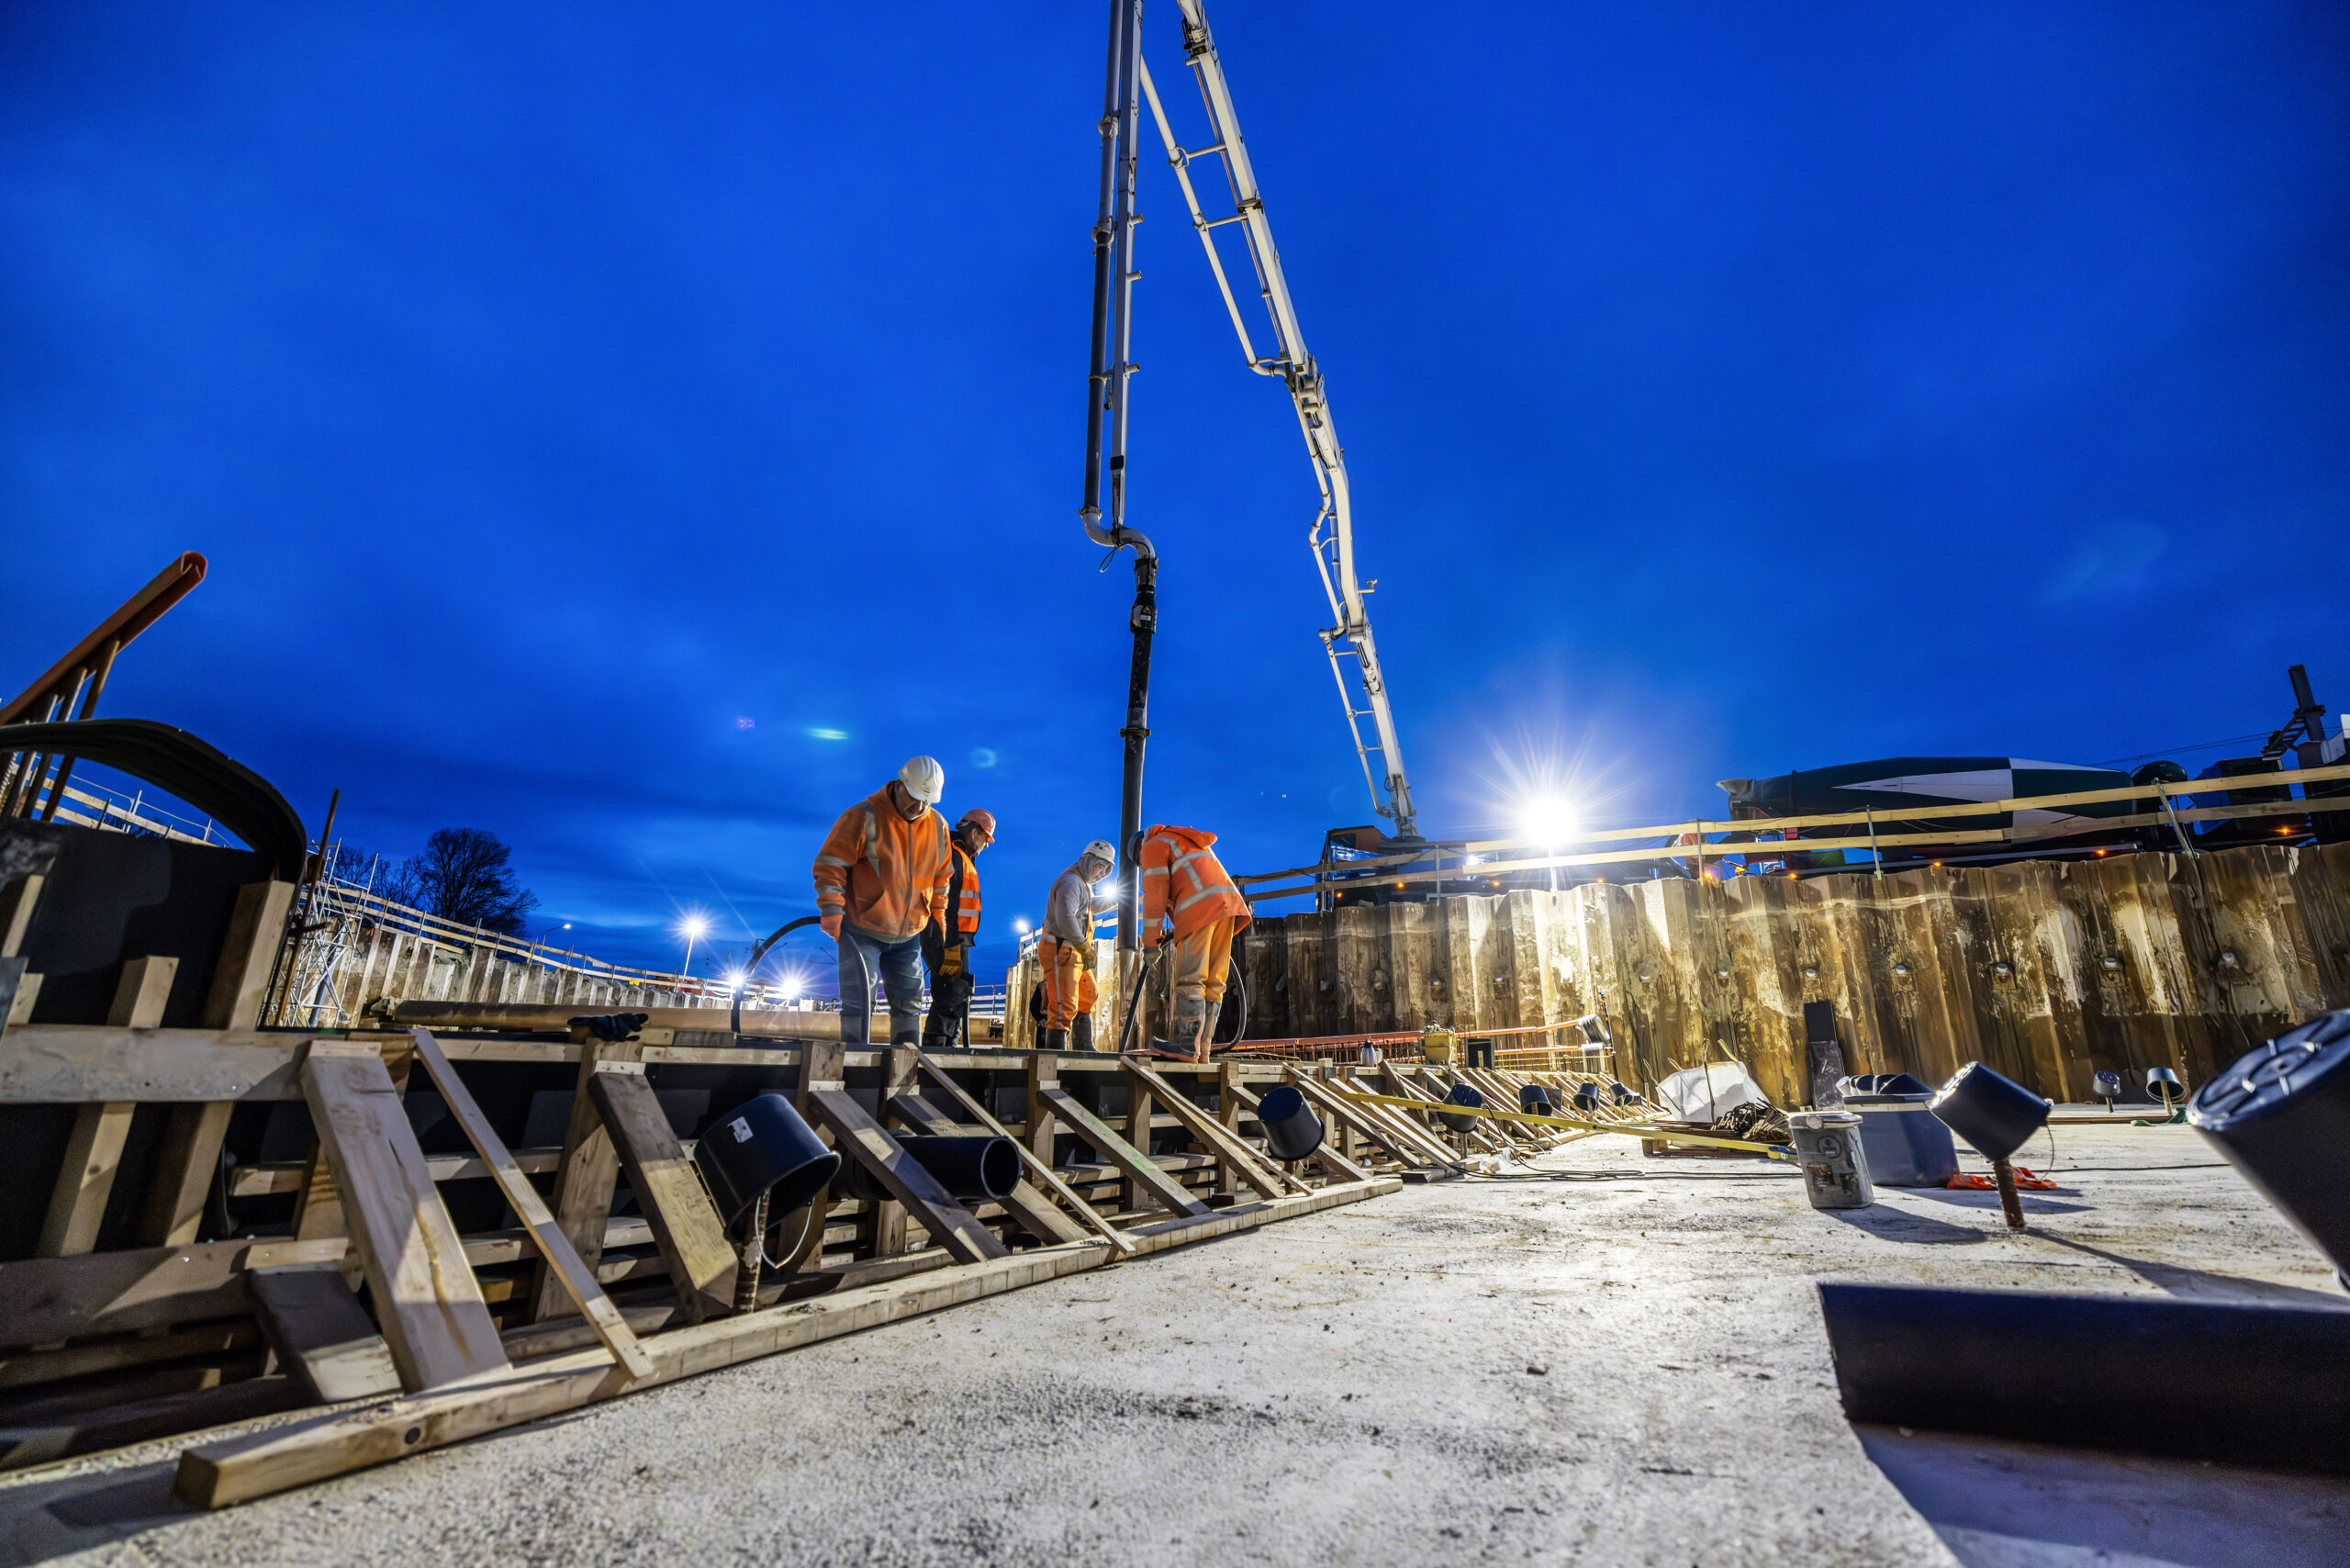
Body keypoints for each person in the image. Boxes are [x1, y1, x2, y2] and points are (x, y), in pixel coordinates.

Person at [812, 756, 953, 1045]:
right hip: (862, 930)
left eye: (928, 801)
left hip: (909, 936)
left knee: (910, 1002)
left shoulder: (938, 826)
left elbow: (942, 877)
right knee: (858, 1000)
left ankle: (903, 1071)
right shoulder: (863, 816)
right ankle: (853, 1070)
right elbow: (831, 866)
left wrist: (937, 917)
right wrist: (831, 910)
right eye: (915, 797)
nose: (920, 806)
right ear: (901, 783)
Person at [1136, 823, 1252, 1061]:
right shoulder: (1182, 841)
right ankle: (1202, 1050)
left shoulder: (1153, 845)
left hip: (1200, 909)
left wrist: (1150, 943)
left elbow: (1155, 896)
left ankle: (1188, 1046)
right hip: (1227, 907)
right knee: (1214, 982)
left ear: (1139, 848)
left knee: (1191, 979)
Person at [919, 808, 995, 1049]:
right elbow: (946, 904)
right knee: (949, 993)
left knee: (956, 992)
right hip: (946, 938)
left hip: (956, 939)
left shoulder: (962, 858)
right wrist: (951, 945)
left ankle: (946, 1047)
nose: (986, 844)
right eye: (985, 837)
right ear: (974, 832)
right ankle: (936, 1053)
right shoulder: (953, 856)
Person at [1036, 838, 1117, 1051]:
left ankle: (1084, 1047)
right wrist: (1084, 946)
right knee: (1064, 1005)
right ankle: (1056, 1053)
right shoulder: (1071, 882)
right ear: (1088, 859)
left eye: (1106, 870)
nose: (1101, 873)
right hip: (1060, 949)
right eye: (1101, 866)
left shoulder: (1081, 884)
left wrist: (1117, 900)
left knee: (1089, 993)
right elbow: (1065, 917)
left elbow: (1088, 906)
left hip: (1073, 951)